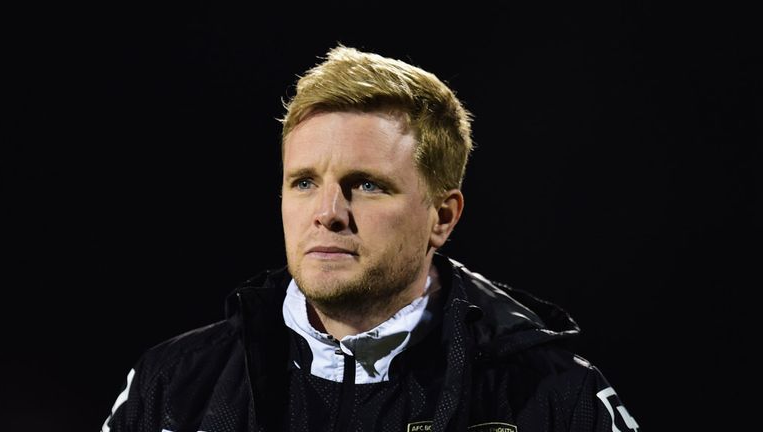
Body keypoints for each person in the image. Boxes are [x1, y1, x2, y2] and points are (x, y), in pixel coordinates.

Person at [102, 45, 639, 432]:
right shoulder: (173, 387)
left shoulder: (553, 395)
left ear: (442, 218)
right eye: (305, 182)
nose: (328, 213)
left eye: (366, 185)